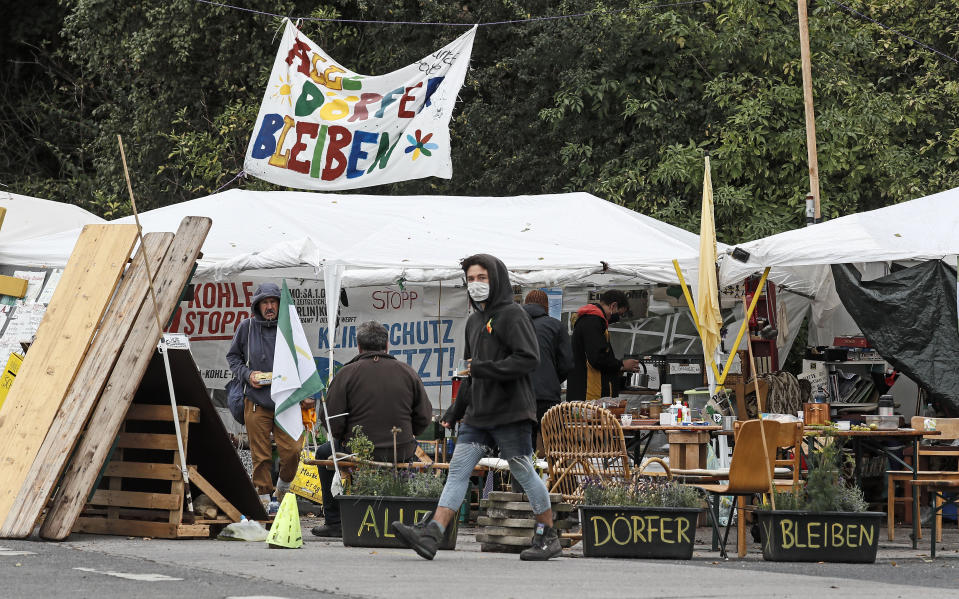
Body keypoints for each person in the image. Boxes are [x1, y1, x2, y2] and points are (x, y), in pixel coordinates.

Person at [392, 253, 562, 561]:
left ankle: (548, 534)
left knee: (523, 471)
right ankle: (433, 534)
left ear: (495, 280)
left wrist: (484, 368)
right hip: (479, 413)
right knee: (458, 470)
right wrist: (455, 411)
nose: (475, 284)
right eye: (470, 279)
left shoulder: (513, 315)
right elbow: (469, 371)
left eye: (482, 278)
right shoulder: (473, 322)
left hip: (511, 411)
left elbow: (528, 359)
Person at [311, 320, 433, 538]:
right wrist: (407, 436)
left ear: (358, 346)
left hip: (357, 451)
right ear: (387, 346)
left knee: (323, 453)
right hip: (401, 449)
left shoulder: (346, 373)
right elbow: (424, 418)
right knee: (328, 452)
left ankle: (335, 521)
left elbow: (331, 420)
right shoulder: (408, 372)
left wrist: (343, 439)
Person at [226, 282, 313, 508]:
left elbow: (304, 362)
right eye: (265, 302)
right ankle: (263, 503)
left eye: (273, 301)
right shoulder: (246, 327)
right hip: (256, 401)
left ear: (280, 304)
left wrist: (306, 392)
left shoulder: (290, 328)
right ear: (257, 306)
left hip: (287, 401)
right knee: (260, 455)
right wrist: (248, 374)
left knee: (293, 450)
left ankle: (282, 488)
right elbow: (233, 358)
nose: (269, 306)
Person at [566, 289, 640, 402]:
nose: (616, 318)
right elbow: (597, 358)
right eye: (619, 313)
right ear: (613, 306)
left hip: (584, 390)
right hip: (589, 393)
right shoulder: (593, 322)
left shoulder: (590, 320)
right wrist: (621, 365)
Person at [522, 289, 572, 453]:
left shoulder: (514, 325)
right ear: (546, 307)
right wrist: (551, 378)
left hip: (518, 395)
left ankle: (522, 478)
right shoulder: (556, 326)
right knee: (554, 444)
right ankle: (556, 477)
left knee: (522, 449)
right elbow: (567, 364)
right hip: (547, 396)